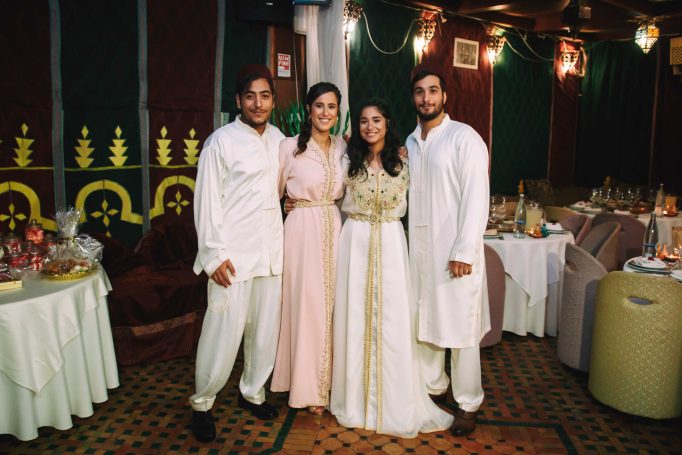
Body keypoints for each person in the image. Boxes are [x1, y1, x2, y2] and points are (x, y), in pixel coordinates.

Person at [329, 99, 454, 437]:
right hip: (355, 240)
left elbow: (433, 194)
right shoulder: (347, 160)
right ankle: (355, 400)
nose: (370, 126)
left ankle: (393, 402)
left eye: (376, 120)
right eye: (364, 121)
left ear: (387, 124)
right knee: (354, 317)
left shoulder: (404, 160)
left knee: (393, 319)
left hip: (391, 242)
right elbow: (327, 194)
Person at [189, 64, 285, 443]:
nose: (258, 104)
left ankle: (252, 392)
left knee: (264, 332)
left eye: (265, 96)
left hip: (271, 255)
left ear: (273, 100)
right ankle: (202, 403)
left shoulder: (280, 141)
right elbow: (206, 202)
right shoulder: (221, 142)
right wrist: (213, 256)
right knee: (221, 334)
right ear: (238, 100)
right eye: (250, 96)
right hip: (232, 258)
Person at [407, 67, 490, 436]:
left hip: (456, 252)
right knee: (425, 320)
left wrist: (464, 250)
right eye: (419, 91)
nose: (426, 98)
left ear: (445, 96)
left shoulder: (464, 138)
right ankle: (433, 386)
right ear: (413, 98)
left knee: (461, 328)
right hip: (420, 250)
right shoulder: (410, 142)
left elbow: (476, 198)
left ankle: (469, 402)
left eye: (433, 91)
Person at [270, 82, 346, 415]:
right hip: (301, 232)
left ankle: (326, 383)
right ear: (308, 110)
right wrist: (287, 205)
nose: (325, 113)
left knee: (331, 307)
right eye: (319, 106)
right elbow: (271, 193)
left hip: (334, 228)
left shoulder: (343, 147)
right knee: (306, 306)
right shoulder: (289, 148)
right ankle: (306, 388)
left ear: (338, 112)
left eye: (331, 107)